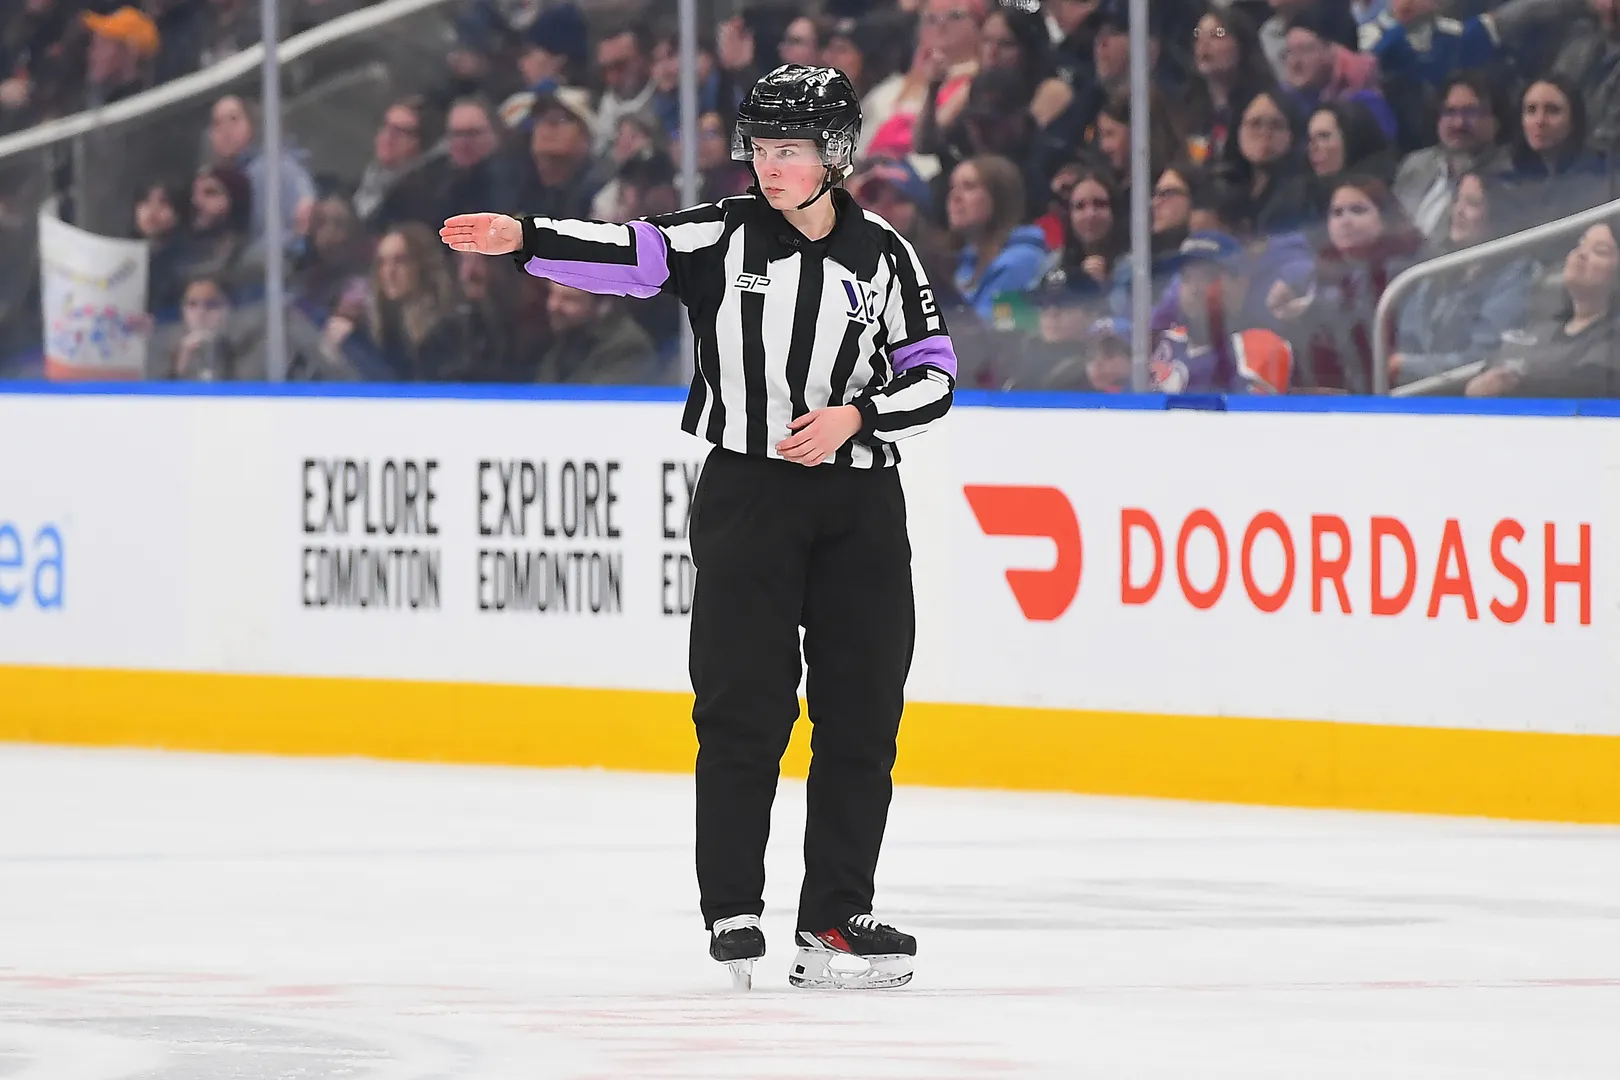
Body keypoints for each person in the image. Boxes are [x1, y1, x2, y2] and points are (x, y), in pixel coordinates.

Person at [441, 64, 955, 991]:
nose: (769, 164)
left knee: (863, 715)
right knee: (742, 706)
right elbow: (627, 252)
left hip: (863, 508)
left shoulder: (885, 254)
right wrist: (526, 238)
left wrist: (859, 416)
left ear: (837, 154)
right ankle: (733, 907)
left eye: (790, 149)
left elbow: (935, 375)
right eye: (760, 147)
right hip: (749, 499)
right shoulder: (722, 234)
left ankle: (834, 920)